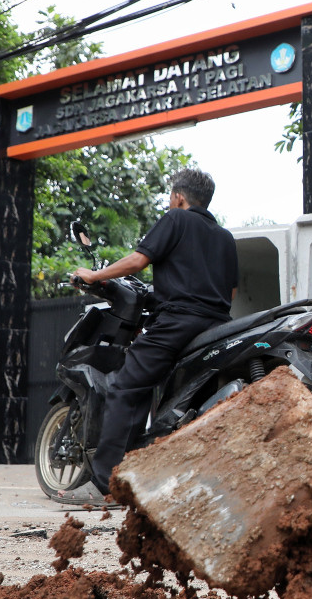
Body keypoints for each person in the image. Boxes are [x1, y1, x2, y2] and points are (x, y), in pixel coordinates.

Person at [73, 168, 238, 495]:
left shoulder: (176, 219)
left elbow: (137, 261)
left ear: (179, 197)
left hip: (177, 323)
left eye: (169, 197)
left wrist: (93, 275)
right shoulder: (225, 237)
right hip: (217, 326)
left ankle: (106, 484)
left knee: (126, 386)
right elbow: (230, 293)